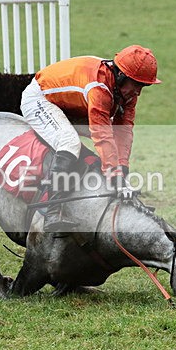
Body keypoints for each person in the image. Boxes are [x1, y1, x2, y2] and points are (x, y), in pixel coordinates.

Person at [20, 45, 161, 231]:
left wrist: (122, 171)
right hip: (41, 100)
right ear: (121, 76)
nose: (138, 92)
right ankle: (51, 208)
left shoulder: (125, 91)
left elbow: (123, 131)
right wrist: (115, 176)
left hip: (71, 105)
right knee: (69, 142)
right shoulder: (99, 87)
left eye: (143, 86)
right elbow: (101, 135)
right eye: (136, 85)